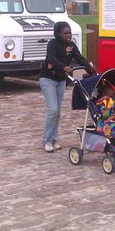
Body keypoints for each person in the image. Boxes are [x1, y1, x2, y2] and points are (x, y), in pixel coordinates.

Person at [40, 21, 96, 153]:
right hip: (48, 79)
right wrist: (63, 66)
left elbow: (80, 58)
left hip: (61, 81)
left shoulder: (71, 46)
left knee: (58, 112)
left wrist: (90, 67)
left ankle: (54, 140)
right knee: (53, 110)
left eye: (69, 33)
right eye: (65, 33)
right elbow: (51, 58)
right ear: (58, 34)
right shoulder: (52, 44)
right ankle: (47, 141)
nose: (68, 35)